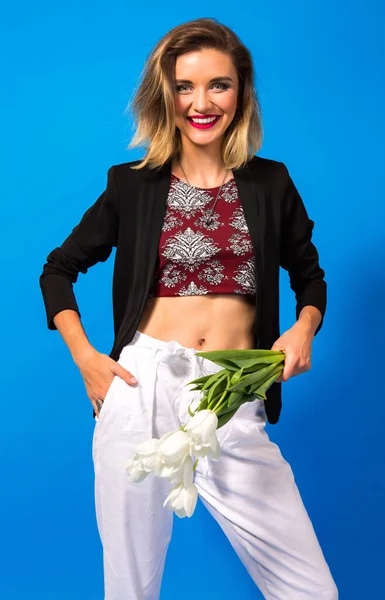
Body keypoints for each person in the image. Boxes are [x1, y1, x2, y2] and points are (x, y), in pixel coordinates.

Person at [39, 17, 338, 600]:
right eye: (185, 87)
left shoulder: (270, 182)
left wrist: (304, 328)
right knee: (130, 586)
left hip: (231, 390)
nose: (201, 103)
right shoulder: (133, 185)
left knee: (310, 590)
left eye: (218, 85)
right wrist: (86, 358)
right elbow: (58, 269)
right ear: (167, 95)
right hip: (143, 385)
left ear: (241, 93)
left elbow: (310, 276)